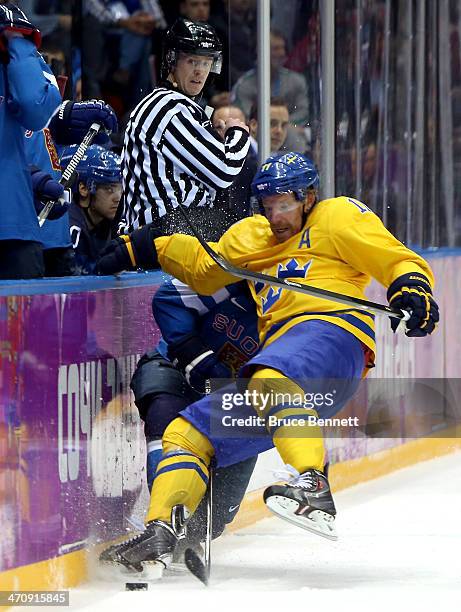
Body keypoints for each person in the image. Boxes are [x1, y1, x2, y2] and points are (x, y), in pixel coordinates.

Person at [97, 151, 439, 570]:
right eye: (269, 205)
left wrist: (411, 287)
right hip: (281, 377)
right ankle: (162, 529)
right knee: (186, 432)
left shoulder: (337, 217)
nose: (277, 215)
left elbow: (394, 258)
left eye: (286, 203)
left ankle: (313, 483)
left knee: (268, 373)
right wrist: (144, 246)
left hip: (331, 337)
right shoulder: (253, 238)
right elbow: (205, 267)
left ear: (309, 196)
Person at [120, 277, 259, 556]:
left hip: (237, 395)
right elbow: (168, 300)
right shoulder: (239, 274)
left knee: (211, 522)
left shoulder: (301, 319)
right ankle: (163, 524)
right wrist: (201, 361)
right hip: (173, 365)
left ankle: (183, 535)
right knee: (164, 420)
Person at [119, 17, 250, 239]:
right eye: (192, 61)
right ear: (172, 60)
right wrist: (238, 133)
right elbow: (224, 170)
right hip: (165, 235)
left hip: (167, 231)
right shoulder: (168, 107)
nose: (200, 71)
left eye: (206, 63)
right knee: (245, 230)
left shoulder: (171, 106)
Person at [0, 3, 61, 279]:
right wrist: (16, 39)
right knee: (24, 324)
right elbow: (34, 105)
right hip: (9, 222)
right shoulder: (9, 27)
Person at [231, 30, 309, 151]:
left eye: (283, 48)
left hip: (289, 137)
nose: (282, 53)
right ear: (261, 51)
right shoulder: (244, 85)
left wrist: (282, 125)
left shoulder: (296, 81)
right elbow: (245, 120)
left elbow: (303, 113)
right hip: (256, 141)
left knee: (294, 136)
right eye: (276, 48)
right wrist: (270, 126)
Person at [59, 144, 122, 275]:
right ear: (83, 188)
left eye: (120, 188)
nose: (118, 198)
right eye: (109, 188)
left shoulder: (114, 224)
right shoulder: (68, 230)